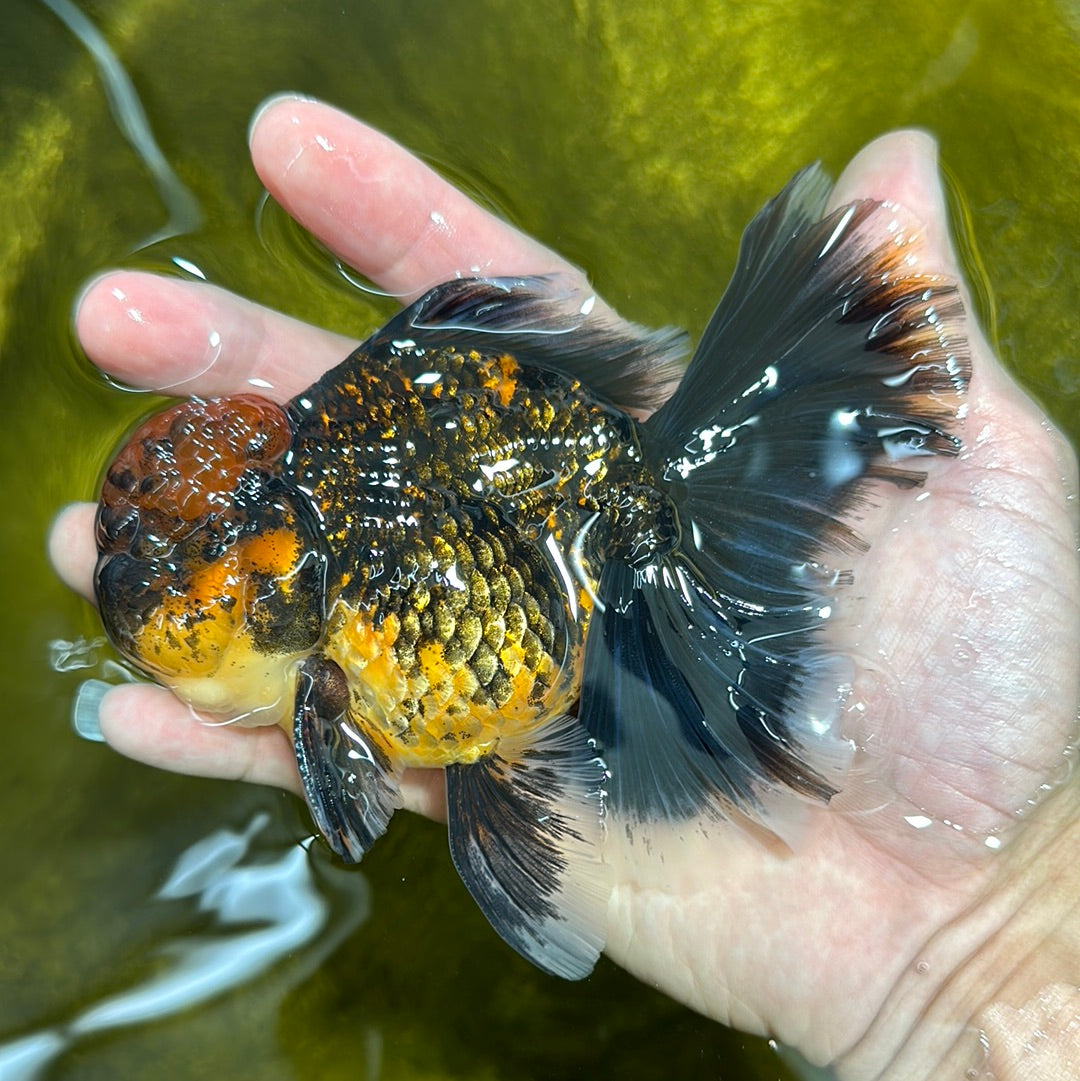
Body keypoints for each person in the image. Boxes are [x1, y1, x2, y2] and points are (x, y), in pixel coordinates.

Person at [48, 95, 1080, 1080]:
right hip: (547, 532)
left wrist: (1017, 892)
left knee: (533, 737)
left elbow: (350, 806)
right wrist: (998, 932)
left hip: (577, 571)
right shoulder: (309, 585)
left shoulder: (323, 667)